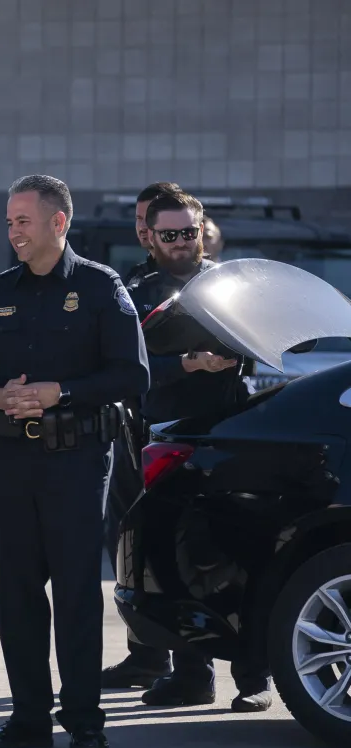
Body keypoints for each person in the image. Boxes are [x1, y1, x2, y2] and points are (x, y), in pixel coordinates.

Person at [0, 175, 149, 748]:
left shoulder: (99, 287)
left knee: (73, 591)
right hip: (11, 461)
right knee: (15, 592)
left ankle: (86, 718)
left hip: (76, 460)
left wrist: (58, 392)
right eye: (9, 222)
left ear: (57, 223)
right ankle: (27, 717)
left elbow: (132, 376)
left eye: (23, 221)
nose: (14, 231)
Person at [122, 190, 272, 712]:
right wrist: (189, 363)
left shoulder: (228, 284)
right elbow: (131, 373)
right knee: (177, 559)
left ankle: (254, 679)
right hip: (170, 438)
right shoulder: (139, 292)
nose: (183, 243)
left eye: (190, 232)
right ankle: (191, 674)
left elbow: (269, 345)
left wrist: (241, 353)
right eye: (171, 235)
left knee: (247, 553)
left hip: (232, 432)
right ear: (150, 236)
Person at [101, 181, 183, 688]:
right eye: (144, 223)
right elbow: (124, 360)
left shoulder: (213, 286)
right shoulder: (133, 284)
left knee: (180, 549)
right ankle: (147, 653)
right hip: (133, 433)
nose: (145, 230)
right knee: (130, 547)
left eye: (181, 230)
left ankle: (230, 673)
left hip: (185, 435)